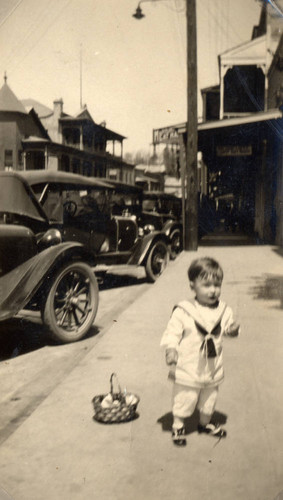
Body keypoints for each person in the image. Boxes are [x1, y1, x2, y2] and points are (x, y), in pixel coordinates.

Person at [160, 256, 240, 446]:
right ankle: (178, 425)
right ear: (192, 285)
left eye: (217, 284)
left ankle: (205, 423)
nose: (213, 290)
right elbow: (172, 332)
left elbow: (228, 330)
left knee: (209, 397)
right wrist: (171, 349)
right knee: (185, 397)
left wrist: (232, 330)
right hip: (189, 365)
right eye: (206, 285)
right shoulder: (184, 310)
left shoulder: (224, 310)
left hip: (212, 366)